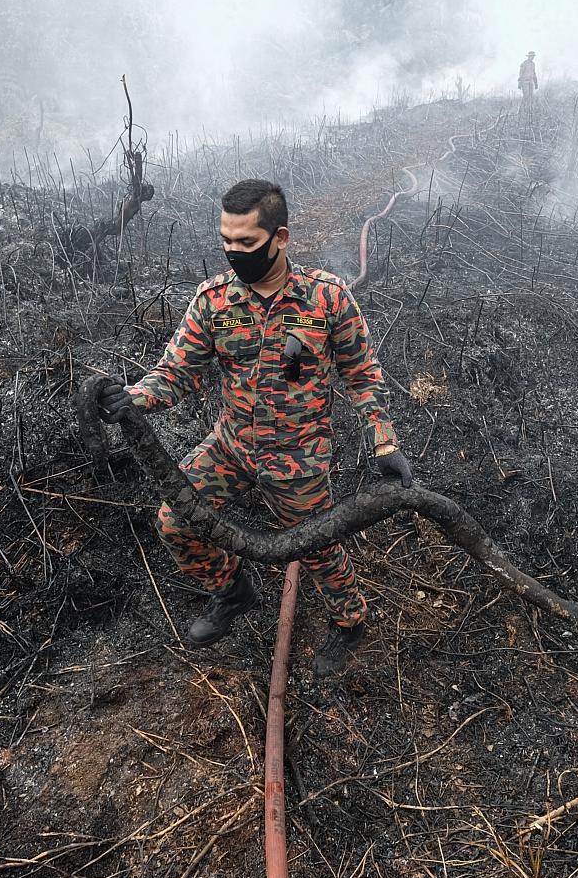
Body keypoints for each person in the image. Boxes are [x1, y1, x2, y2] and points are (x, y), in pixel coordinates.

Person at [96, 179, 411, 677]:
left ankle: (350, 622)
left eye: (246, 242)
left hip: (298, 456)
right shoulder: (213, 301)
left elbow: (362, 374)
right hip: (232, 445)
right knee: (175, 520)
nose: (233, 252)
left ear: (279, 237)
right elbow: (176, 372)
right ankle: (231, 590)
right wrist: (131, 397)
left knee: (316, 548)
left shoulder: (327, 298)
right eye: (226, 240)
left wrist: (384, 440)